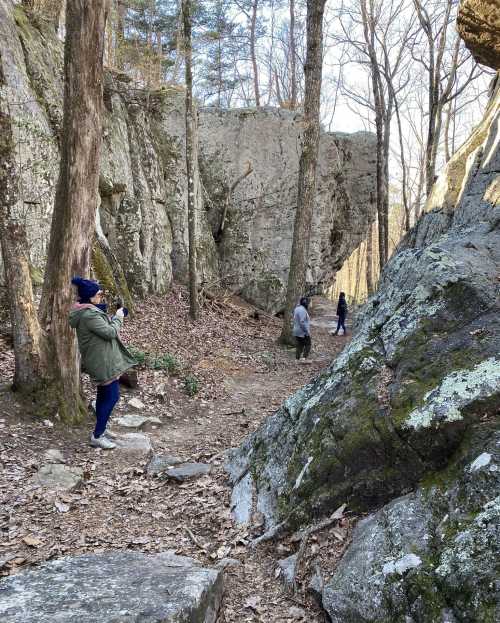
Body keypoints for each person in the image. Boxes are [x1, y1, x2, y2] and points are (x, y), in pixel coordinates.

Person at [69, 277, 136, 450]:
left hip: (101, 360)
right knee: (112, 396)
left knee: (103, 396)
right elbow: (110, 332)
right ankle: (97, 436)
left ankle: (101, 429)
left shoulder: (88, 310)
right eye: (99, 293)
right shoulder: (89, 314)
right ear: (90, 297)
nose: (101, 296)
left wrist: (112, 315)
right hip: (101, 362)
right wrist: (119, 317)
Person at [293, 297, 311, 361]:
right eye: (308, 303)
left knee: (300, 344)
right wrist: (306, 331)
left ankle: (297, 359)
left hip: (296, 330)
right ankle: (304, 358)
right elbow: (302, 322)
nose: (309, 304)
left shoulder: (296, 308)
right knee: (308, 344)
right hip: (302, 331)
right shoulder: (303, 310)